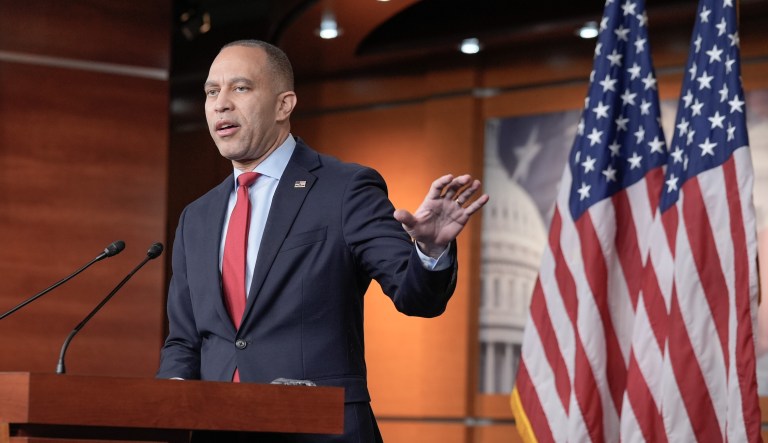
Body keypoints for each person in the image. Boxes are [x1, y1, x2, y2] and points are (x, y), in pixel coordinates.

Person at [157, 39, 489, 442]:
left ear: (284, 105)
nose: (220, 104)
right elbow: (185, 339)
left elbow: (417, 297)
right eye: (212, 91)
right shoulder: (197, 216)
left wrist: (430, 250)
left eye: (240, 88)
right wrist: (170, 393)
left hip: (319, 429)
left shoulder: (345, 189)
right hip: (221, 429)